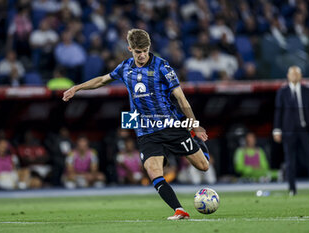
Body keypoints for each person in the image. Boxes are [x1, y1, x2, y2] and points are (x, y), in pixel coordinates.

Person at [63, 29, 209, 220]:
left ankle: (193, 138)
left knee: (203, 166)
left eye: (145, 50)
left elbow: (180, 97)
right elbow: (101, 80)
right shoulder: (125, 68)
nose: (141, 55)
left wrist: (195, 125)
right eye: (138, 51)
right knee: (153, 171)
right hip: (146, 131)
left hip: (172, 126)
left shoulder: (162, 66)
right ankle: (179, 210)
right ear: (130, 48)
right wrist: (77, 87)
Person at [273, 66, 309, 195]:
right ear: (288, 76)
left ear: (301, 76)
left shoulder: (307, 91)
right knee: (290, 161)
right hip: (289, 131)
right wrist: (277, 129)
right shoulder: (282, 92)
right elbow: (279, 112)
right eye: (292, 74)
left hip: (305, 129)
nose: (294, 76)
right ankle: (292, 189)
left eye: (296, 74)